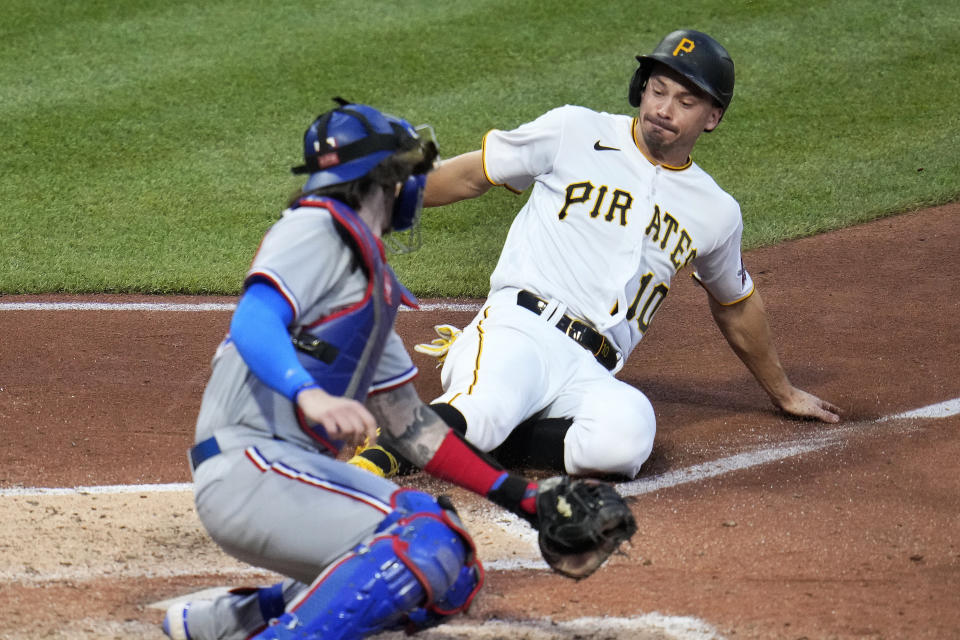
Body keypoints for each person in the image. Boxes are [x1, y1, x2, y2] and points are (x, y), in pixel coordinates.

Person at [161, 100, 619, 640]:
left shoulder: (368, 284)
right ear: (380, 179)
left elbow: (413, 429)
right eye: (404, 172)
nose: (414, 185)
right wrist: (309, 394)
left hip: (288, 474)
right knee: (421, 541)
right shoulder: (317, 227)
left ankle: (231, 620)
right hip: (252, 466)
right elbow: (256, 317)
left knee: (453, 576)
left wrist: (519, 497)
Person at [351, 29, 841, 481]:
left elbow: (734, 302)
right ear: (640, 88)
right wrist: (377, 202)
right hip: (518, 330)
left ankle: (491, 439)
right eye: (657, 90)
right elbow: (471, 175)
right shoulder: (575, 131)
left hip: (591, 369)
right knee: (482, 409)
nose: (664, 109)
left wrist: (783, 391)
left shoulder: (716, 211)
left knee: (626, 439)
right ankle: (362, 470)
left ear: (711, 118)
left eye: (686, 101)